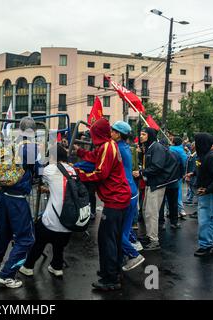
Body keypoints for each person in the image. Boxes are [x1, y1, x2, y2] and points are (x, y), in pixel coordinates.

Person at [74, 118, 131, 291]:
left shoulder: (108, 146)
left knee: (106, 240)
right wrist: (81, 152)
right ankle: (112, 271)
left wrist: (79, 173)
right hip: (120, 198)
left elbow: (100, 173)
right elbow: (95, 156)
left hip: (115, 200)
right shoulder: (108, 145)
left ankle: (110, 279)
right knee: (113, 238)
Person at [0, 117, 39, 289]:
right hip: (17, 198)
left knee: (3, 232)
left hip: (4, 194)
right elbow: (39, 170)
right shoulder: (30, 148)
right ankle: (7, 275)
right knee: (26, 239)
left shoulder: (10, 144)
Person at [19, 144, 73, 277]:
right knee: (59, 242)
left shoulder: (50, 169)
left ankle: (28, 266)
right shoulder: (72, 170)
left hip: (52, 220)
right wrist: (50, 189)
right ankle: (57, 266)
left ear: (53, 156)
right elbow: (64, 186)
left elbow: (38, 174)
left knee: (39, 238)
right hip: (70, 221)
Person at [133, 127, 180, 251]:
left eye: (143, 134)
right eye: (141, 134)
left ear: (150, 136)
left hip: (157, 184)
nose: (141, 136)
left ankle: (154, 241)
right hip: (152, 183)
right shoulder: (151, 147)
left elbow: (157, 167)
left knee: (151, 213)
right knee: (145, 211)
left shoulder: (156, 148)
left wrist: (141, 172)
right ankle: (149, 236)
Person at [110, 121, 145, 272]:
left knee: (116, 233)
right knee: (124, 230)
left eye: (112, 131)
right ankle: (128, 250)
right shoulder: (126, 147)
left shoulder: (117, 148)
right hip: (132, 193)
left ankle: (133, 254)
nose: (110, 133)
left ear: (118, 134)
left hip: (125, 194)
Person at [188, 133, 213, 257]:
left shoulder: (211, 157)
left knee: (205, 219)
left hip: (208, 193)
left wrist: (207, 190)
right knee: (210, 217)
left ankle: (206, 245)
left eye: (196, 141)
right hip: (205, 191)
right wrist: (192, 174)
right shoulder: (203, 156)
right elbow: (202, 169)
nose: (194, 143)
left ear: (201, 143)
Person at [170, 137, 188, 219]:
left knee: (169, 194)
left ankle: (169, 211)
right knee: (178, 193)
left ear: (173, 142)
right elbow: (184, 163)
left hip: (169, 175)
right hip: (178, 175)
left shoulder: (169, 149)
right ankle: (181, 210)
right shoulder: (182, 151)